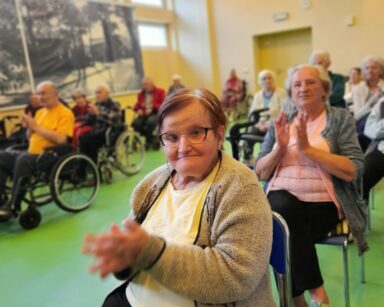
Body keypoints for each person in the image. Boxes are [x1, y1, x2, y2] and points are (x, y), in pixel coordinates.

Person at [83, 88, 275, 307]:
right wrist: (122, 256)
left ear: (219, 134)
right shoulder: (152, 184)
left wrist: (149, 251)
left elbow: (235, 278)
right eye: (172, 137)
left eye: (196, 133)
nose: (183, 147)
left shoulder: (240, 187)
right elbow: (137, 250)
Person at [255, 65, 367, 307]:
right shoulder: (282, 120)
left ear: (324, 89)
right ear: (291, 92)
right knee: (282, 210)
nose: (303, 88)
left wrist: (309, 150)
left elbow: (355, 169)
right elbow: (261, 170)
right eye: (297, 84)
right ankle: (317, 291)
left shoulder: (339, 118)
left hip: (323, 205)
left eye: (310, 83)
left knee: (280, 230)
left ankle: (295, 299)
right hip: (281, 200)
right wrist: (280, 149)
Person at [0, 81, 74, 220]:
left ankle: (13, 206)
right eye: (38, 93)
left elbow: (62, 140)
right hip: (32, 152)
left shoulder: (65, 113)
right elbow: (30, 137)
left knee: (24, 159)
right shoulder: (39, 112)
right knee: (2, 156)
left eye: (43, 93)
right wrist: (28, 127)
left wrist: (36, 127)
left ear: (56, 94)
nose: (40, 96)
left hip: (51, 155)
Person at [245, 69, 286, 159]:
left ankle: (266, 158)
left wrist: (270, 124)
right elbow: (252, 113)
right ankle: (247, 156)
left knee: (272, 132)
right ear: (260, 81)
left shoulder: (281, 93)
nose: (267, 80)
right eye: (264, 79)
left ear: (273, 79)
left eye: (269, 78)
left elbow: (284, 112)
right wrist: (257, 124)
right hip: (260, 125)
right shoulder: (257, 95)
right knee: (249, 132)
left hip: (274, 125)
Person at [78, 85, 122, 162]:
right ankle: (86, 164)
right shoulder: (97, 104)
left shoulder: (114, 103)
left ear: (107, 93)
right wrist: (90, 115)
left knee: (89, 141)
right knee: (82, 138)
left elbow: (113, 119)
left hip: (110, 132)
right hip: (97, 131)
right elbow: (90, 121)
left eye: (99, 92)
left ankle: (93, 164)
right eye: (95, 93)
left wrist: (98, 113)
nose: (97, 95)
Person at [352, 56, 384, 152]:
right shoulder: (358, 89)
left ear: (381, 71)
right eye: (367, 68)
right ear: (363, 72)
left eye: (374, 67)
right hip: (364, 124)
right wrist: (371, 102)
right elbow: (357, 115)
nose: (370, 70)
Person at [132, 77, 166, 149]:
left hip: (155, 112)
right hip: (144, 114)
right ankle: (150, 137)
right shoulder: (141, 94)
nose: (145, 86)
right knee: (135, 123)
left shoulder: (160, 91)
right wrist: (138, 109)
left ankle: (148, 141)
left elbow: (163, 103)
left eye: (146, 84)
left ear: (152, 84)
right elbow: (137, 104)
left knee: (150, 122)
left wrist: (153, 107)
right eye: (144, 85)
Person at [363, 97, 384, 202]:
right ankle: (362, 211)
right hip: (382, 150)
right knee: (362, 173)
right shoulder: (382, 102)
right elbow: (370, 130)